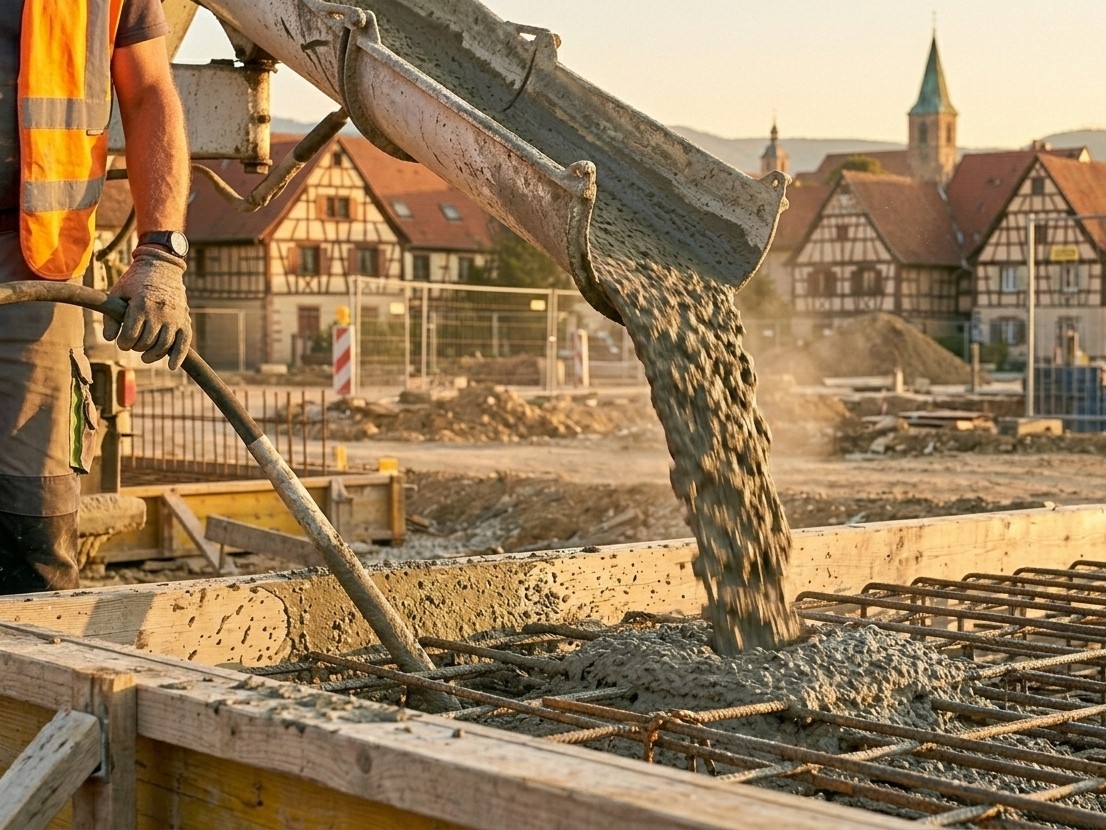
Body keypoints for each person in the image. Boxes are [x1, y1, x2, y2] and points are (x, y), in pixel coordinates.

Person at [0, 0, 192, 593]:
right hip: (35, 262)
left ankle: (30, 649)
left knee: (32, 518)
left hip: (34, 257)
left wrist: (161, 255)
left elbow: (148, 93)